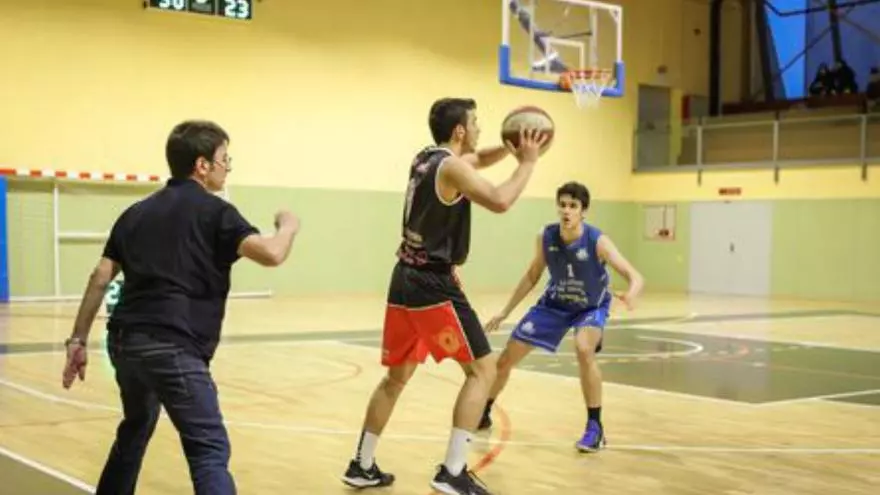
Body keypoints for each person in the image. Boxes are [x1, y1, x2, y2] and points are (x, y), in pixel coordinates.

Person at [60, 120, 300, 495]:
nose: (227, 167)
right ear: (202, 165)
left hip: (124, 343)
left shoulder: (135, 213)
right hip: (174, 346)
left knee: (135, 426)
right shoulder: (217, 212)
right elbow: (271, 253)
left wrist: (77, 340)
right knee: (209, 451)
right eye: (224, 159)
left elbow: (100, 277)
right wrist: (288, 226)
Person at [341, 98, 548, 495]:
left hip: (403, 279)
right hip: (432, 285)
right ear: (460, 131)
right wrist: (527, 163)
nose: (479, 128)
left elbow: (476, 160)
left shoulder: (426, 159)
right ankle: (452, 472)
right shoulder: (452, 167)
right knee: (483, 371)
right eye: (475, 122)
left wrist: (509, 148)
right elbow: (500, 200)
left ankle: (361, 464)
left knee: (395, 378)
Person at [477, 181, 644, 453]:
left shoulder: (597, 241)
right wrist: (505, 311)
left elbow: (635, 276)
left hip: (590, 307)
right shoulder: (546, 236)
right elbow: (533, 274)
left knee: (584, 349)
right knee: (505, 359)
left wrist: (632, 293)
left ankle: (595, 428)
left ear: (583, 211)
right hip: (554, 305)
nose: (566, 211)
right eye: (563, 205)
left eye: (573, 206)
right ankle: (483, 412)